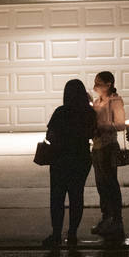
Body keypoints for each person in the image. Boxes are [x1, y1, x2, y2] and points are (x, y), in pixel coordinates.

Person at [43, 78, 96, 247]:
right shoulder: (89, 113)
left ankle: (56, 234)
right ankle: (72, 233)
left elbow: (49, 135)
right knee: (76, 197)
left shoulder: (61, 112)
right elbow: (92, 133)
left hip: (61, 159)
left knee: (57, 198)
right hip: (81, 158)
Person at [90, 70, 127, 239]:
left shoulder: (115, 101)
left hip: (109, 145)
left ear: (108, 84)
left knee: (111, 183)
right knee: (100, 185)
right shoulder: (97, 102)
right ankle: (106, 218)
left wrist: (103, 127)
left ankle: (117, 220)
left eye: (99, 83)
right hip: (96, 147)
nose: (95, 86)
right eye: (95, 82)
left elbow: (120, 125)